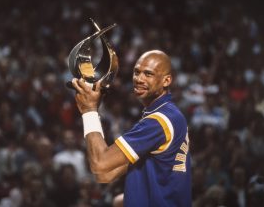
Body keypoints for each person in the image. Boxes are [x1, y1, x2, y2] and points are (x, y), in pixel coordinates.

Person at [71, 50, 191, 206]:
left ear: (166, 81)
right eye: (136, 72)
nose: (139, 79)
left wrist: (89, 111)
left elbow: (100, 165)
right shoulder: (170, 114)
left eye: (148, 74)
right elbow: (106, 175)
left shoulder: (158, 121)